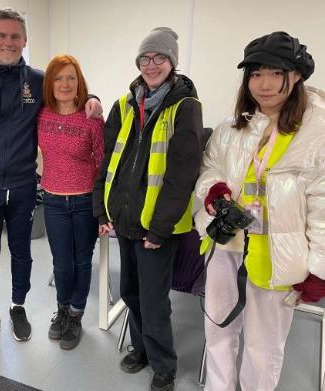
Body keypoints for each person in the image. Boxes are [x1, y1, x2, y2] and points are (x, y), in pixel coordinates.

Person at [0, 8, 102, 350]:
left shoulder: (36, 81)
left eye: (15, 36)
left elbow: (71, 95)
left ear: (25, 40)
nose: (9, 42)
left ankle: (18, 307)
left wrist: (93, 98)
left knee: (22, 254)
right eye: (2, 35)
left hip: (23, 187)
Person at [195, 31, 325, 391]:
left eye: (274, 72)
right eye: (255, 74)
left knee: (263, 347)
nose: (263, 84)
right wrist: (214, 191)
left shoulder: (318, 131)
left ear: (296, 75)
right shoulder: (232, 126)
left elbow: (323, 205)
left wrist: (318, 268)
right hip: (227, 247)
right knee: (218, 330)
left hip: (278, 257)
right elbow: (210, 170)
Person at [93, 27, 203, 391]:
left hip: (158, 225)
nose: (151, 64)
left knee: (154, 302)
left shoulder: (185, 106)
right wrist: (102, 211)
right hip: (124, 218)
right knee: (131, 292)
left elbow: (182, 175)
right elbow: (107, 161)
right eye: (145, 58)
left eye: (159, 58)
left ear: (172, 62)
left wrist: (159, 229)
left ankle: (163, 366)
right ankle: (141, 348)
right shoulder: (124, 105)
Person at [38, 54, 104, 350]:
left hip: (84, 202)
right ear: (49, 84)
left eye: (71, 78)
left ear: (80, 83)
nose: (64, 84)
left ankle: (76, 316)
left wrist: (104, 212)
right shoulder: (41, 114)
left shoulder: (92, 117)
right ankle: (62, 310)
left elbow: (103, 165)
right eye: (58, 78)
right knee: (62, 264)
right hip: (52, 201)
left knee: (82, 261)